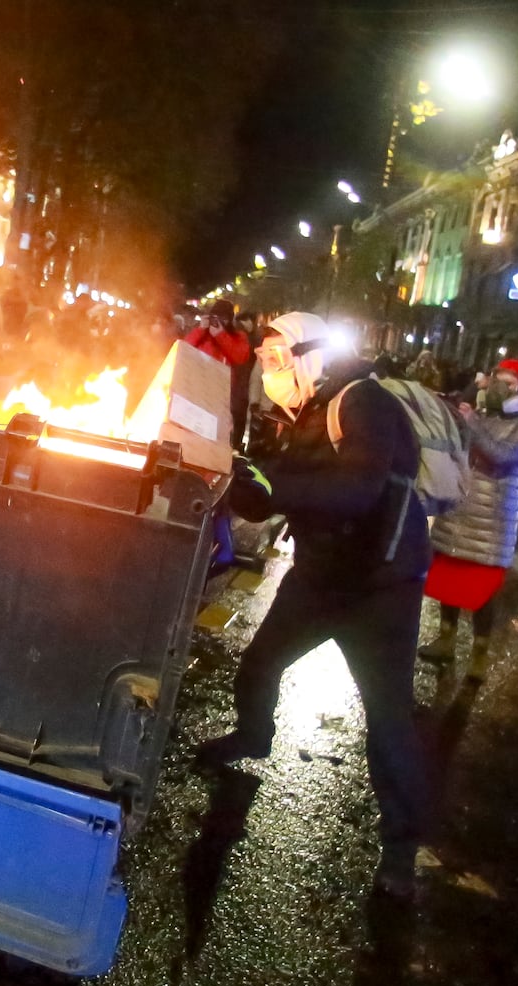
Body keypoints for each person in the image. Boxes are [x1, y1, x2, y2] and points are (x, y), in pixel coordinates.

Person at [194, 311, 432, 898]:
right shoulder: (302, 414)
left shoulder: (362, 402)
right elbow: (270, 495)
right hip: (322, 575)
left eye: (279, 360)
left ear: (310, 354)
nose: (269, 371)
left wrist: (275, 485)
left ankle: (402, 849)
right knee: (260, 663)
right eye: (264, 361)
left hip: (380, 585)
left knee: (388, 716)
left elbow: (358, 490)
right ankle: (252, 737)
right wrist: (237, 478)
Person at [419, 359, 518, 682]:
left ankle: (479, 654)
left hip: (493, 512)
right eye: (496, 380)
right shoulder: (482, 411)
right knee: (448, 576)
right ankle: (445, 640)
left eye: (509, 383)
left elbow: (505, 456)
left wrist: (471, 422)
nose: (499, 388)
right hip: (461, 503)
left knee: (481, 586)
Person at [183, 299, 251, 445]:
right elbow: (184, 349)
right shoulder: (202, 335)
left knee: (213, 434)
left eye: (224, 319)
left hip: (221, 393)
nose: (220, 322)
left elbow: (239, 356)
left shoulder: (238, 336)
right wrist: (201, 329)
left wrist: (220, 335)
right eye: (216, 318)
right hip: (197, 389)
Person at [231, 309, 261, 449]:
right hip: (239, 381)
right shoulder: (242, 336)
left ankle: (236, 445)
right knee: (237, 416)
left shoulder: (254, 337)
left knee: (239, 417)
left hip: (244, 381)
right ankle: (235, 445)